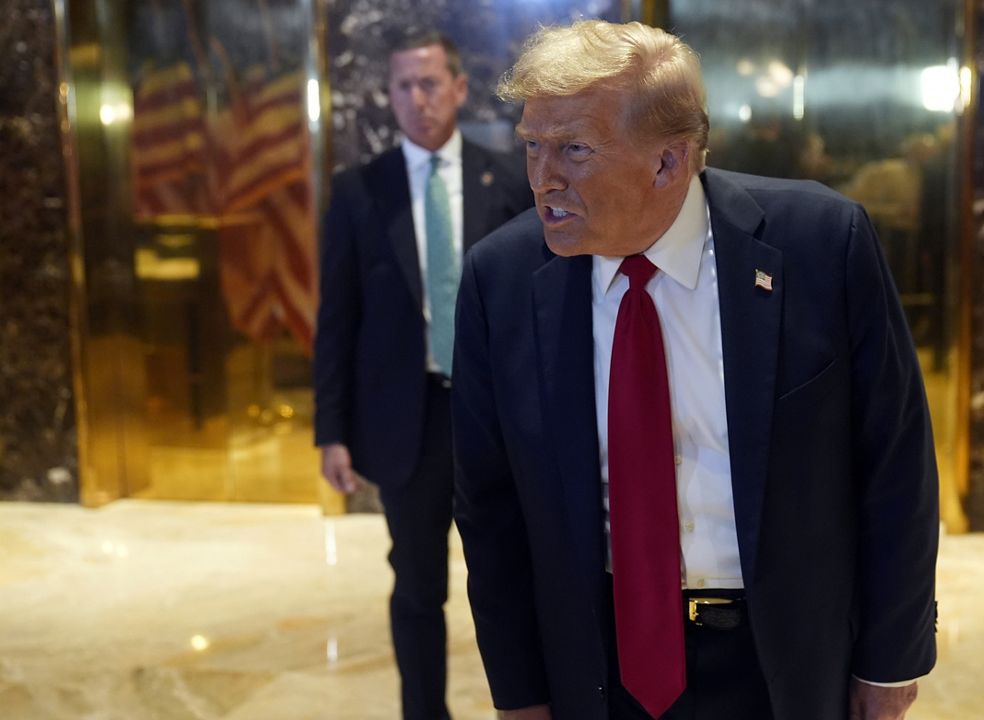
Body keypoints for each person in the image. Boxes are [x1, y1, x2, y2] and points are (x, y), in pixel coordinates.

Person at [452, 20, 938, 720]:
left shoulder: (822, 245)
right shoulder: (499, 280)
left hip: (780, 665)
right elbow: (489, 510)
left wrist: (891, 661)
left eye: (575, 150)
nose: (542, 178)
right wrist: (520, 692)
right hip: (595, 664)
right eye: (532, 145)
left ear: (669, 162)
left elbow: (895, 466)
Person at [312, 30, 533, 720]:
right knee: (417, 584)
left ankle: (529, 703)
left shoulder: (510, 179)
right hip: (406, 422)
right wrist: (332, 431)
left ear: (460, 89)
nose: (417, 98)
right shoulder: (359, 192)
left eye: (429, 83)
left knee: (513, 574)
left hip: (496, 416)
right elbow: (337, 319)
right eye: (403, 85)